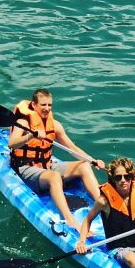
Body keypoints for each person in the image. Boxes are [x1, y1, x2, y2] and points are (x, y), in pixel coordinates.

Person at [9, 89, 104, 229]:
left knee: (84, 166)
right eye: (43, 105)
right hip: (26, 168)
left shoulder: (55, 125)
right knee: (54, 177)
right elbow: (11, 143)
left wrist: (92, 160)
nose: (47, 108)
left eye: (49, 105)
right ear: (34, 105)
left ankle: (103, 205)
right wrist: (30, 136)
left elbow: (72, 147)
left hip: (47, 165)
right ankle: (70, 219)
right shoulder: (23, 122)